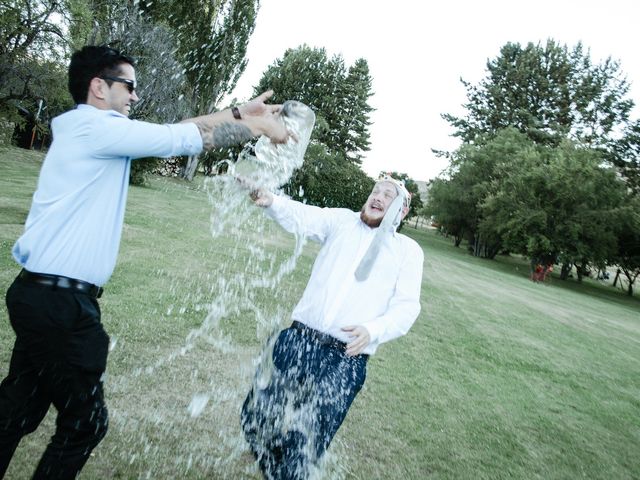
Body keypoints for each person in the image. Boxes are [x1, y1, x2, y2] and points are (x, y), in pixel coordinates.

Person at [0, 45, 289, 479]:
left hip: (42, 297)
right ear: (99, 87)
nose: (135, 96)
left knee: (16, 412)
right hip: (61, 307)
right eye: (129, 86)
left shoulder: (92, 130)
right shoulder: (96, 129)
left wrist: (236, 112)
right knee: (85, 425)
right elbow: (180, 138)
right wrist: (255, 127)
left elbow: (172, 131)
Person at [240, 176, 423, 479]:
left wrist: (374, 330)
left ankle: (292, 472)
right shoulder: (341, 222)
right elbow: (303, 215)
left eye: (387, 196)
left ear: (401, 212)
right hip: (296, 341)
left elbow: (407, 307)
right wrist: (271, 200)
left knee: (305, 444)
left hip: (344, 360)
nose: (377, 197)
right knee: (256, 420)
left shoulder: (407, 251)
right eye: (375, 191)